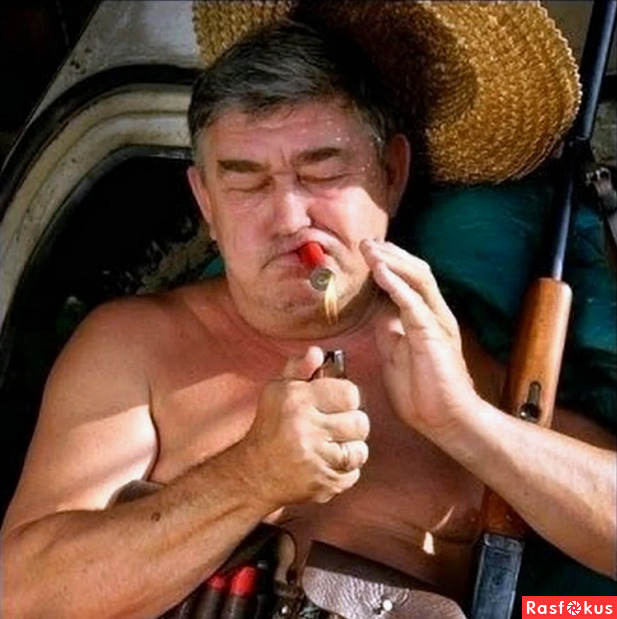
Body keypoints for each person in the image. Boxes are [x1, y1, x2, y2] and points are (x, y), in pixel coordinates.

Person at [1, 6, 615, 618]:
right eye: (247, 183)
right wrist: (252, 476)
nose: (290, 219)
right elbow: (21, 598)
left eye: (322, 173)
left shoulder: (448, 364)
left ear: (392, 174)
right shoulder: (134, 347)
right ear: (205, 201)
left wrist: (466, 423)